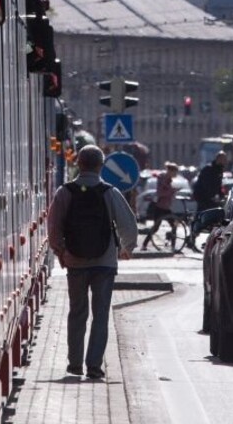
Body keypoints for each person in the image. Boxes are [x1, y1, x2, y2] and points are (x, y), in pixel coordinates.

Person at [47, 145, 139, 380]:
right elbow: (128, 224)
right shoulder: (110, 192)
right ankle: (95, 366)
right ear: (101, 165)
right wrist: (127, 248)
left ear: (78, 163)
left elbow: (54, 226)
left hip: (75, 262)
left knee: (77, 312)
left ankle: (75, 364)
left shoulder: (64, 192)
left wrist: (60, 251)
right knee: (101, 315)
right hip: (104, 263)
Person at [140, 162, 179, 250]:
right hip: (159, 207)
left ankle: (173, 246)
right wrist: (171, 191)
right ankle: (144, 245)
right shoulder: (162, 179)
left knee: (174, 225)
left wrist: (172, 192)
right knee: (156, 227)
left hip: (166, 208)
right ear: (170, 171)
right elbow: (160, 193)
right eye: (175, 172)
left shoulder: (168, 180)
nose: (176, 174)